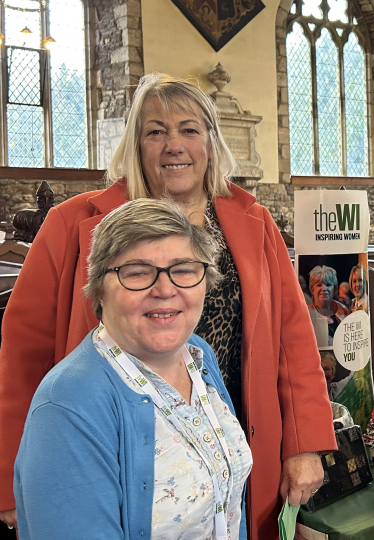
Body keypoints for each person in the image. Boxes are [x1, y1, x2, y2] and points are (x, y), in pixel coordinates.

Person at [0, 73, 336, 539]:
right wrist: (12, 483)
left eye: (189, 129)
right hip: (111, 443)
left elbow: (293, 338)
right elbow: (23, 355)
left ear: (211, 142)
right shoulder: (70, 223)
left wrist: (306, 444)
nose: (173, 144)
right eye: (155, 131)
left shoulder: (253, 222)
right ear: (135, 144)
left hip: (237, 434)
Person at [15, 199, 251, 539]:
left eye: (184, 269)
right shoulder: (66, 407)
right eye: (138, 273)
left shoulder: (198, 356)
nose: (166, 290)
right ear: (100, 286)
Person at [307, 265, 351, 346]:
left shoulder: (344, 310)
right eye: (319, 285)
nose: (324, 288)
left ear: (334, 289)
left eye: (328, 284)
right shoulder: (306, 314)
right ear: (312, 289)